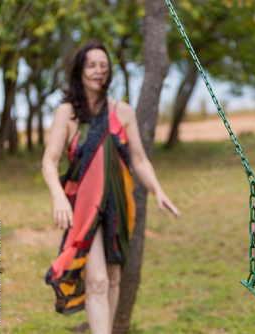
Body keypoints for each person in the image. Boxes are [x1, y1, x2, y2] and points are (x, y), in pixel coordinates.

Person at [42, 40, 181, 333]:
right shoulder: (66, 114)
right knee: (97, 280)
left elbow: (140, 160)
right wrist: (58, 197)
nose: (98, 72)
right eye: (91, 65)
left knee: (115, 277)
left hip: (118, 205)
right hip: (82, 208)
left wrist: (158, 190)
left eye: (103, 66)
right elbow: (49, 162)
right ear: (80, 71)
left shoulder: (123, 112)